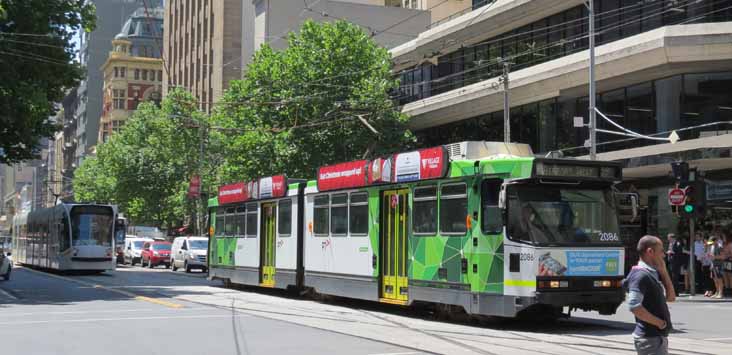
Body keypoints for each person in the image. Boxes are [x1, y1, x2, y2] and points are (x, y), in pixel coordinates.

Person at [625, 235, 675, 355]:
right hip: (650, 339)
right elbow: (634, 306)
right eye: (661, 251)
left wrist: (664, 272)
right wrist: (660, 323)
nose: (663, 255)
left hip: (655, 339)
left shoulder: (652, 273)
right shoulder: (640, 275)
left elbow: (671, 298)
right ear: (650, 251)